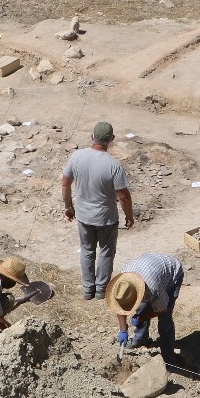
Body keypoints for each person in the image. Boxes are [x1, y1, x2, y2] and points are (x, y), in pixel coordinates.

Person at [61, 121, 133, 301]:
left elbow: (65, 182)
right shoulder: (113, 165)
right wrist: (129, 216)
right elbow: (123, 196)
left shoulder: (77, 156)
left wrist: (68, 207)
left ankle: (88, 289)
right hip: (106, 218)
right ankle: (101, 289)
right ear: (112, 140)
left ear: (92, 137)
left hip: (84, 216)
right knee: (106, 252)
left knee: (87, 250)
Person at [107, 252, 184, 363]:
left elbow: (162, 309)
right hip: (150, 268)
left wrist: (141, 318)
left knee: (165, 321)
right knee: (141, 308)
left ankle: (169, 358)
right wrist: (123, 330)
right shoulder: (123, 283)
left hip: (172, 275)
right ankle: (140, 340)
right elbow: (120, 305)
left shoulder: (153, 288)